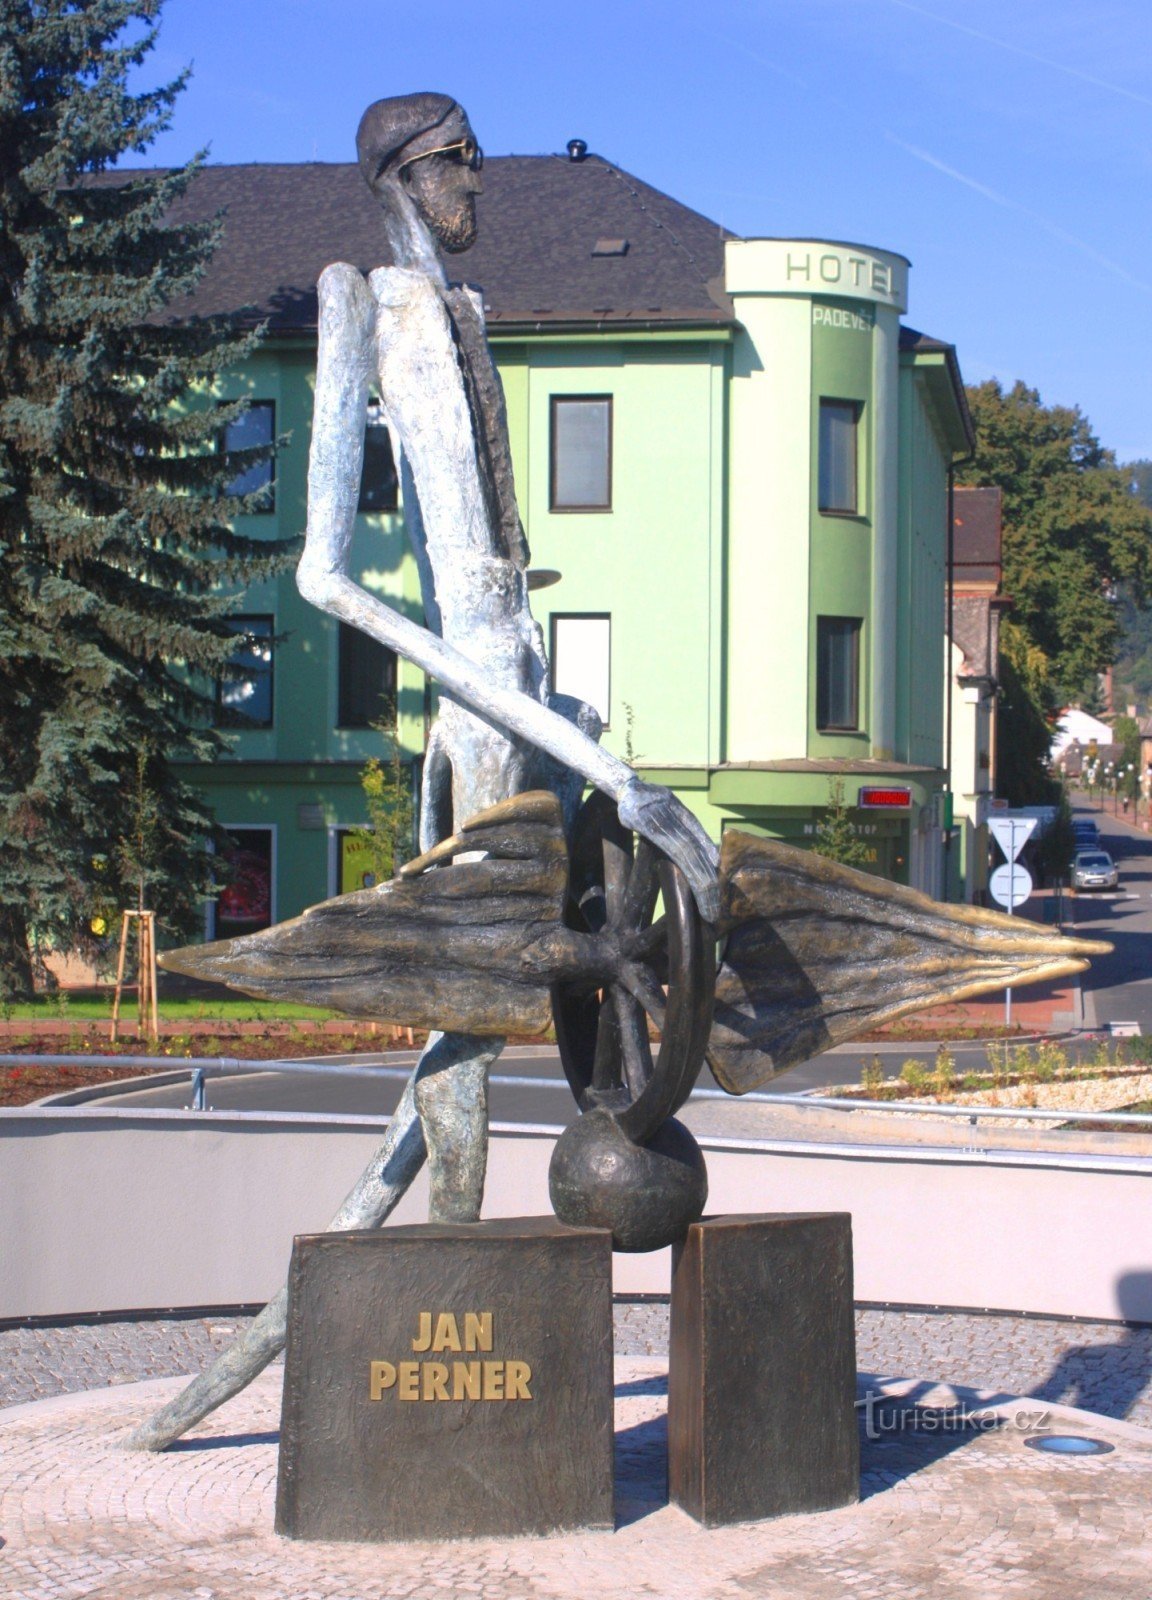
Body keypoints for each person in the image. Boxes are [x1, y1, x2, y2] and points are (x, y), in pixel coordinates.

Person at [127, 92, 719, 1452]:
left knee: (491, 1027)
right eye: (463, 163)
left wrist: (568, 717)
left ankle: (357, 1338)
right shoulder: (362, 299)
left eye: (477, 163)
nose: (481, 187)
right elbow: (322, 572)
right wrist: (536, 720)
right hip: (480, 704)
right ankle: (427, 1378)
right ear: (401, 172)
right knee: (461, 1035)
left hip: (527, 687)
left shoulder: (472, 310)